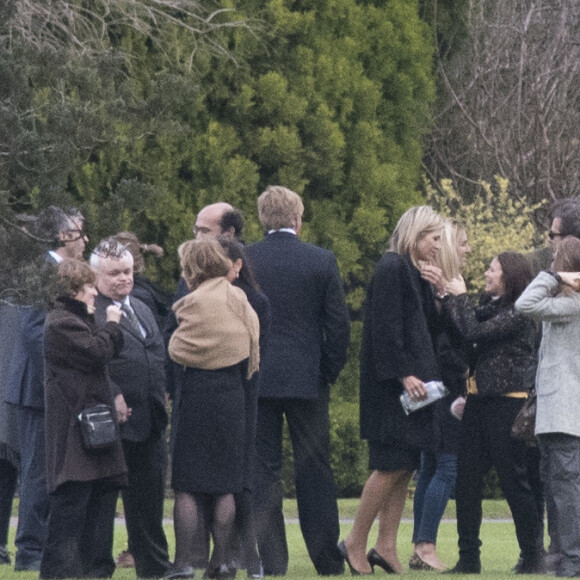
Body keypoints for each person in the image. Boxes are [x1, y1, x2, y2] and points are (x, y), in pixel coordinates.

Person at [246, 186, 350, 577]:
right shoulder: (321, 260)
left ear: (262, 218)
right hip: (308, 378)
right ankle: (326, 558)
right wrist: (327, 371)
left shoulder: (247, 259)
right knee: (315, 468)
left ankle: (273, 561)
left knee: (263, 468)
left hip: (258, 376)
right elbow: (337, 325)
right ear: (298, 218)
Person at [339, 205, 444, 575]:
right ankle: (354, 540)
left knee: (405, 466)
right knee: (389, 465)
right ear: (416, 235)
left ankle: (385, 546)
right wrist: (403, 374)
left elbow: (424, 328)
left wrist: (439, 290)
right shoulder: (391, 268)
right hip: (394, 389)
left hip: (414, 388)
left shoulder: (412, 273)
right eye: (434, 238)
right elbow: (384, 328)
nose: (437, 246)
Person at [443, 251, 545, 574]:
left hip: (508, 403)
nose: (486, 273)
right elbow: (464, 328)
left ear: (509, 276)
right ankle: (469, 557)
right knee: (467, 480)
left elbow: (473, 332)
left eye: (492, 269)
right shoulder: (490, 307)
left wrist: (458, 297)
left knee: (513, 480)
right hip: (478, 401)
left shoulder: (521, 311)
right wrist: (449, 300)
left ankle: (532, 555)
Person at [167, 238, 260, 580]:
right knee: (225, 484)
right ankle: (221, 561)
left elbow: (177, 348)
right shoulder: (240, 299)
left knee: (188, 485)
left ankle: (182, 564)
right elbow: (251, 343)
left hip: (196, 394)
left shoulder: (192, 301)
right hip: (232, 393)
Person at [5, 206, 88, 571]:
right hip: (39, 391)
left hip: (55, 388)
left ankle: (52, 546)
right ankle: (30, 551)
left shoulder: (63, 272)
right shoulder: (40, 273)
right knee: (38, 472)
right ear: (62, 236)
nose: (86, 239)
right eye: (81, 232)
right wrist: (65, 371)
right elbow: (34, 331)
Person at [39, 259, 127, 579]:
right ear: (74, 289)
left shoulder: (78, 319)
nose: (94, 292)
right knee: (71, 509)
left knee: (99, 506)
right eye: (89, 286)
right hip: (75, 434)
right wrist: (113, 323)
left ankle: (95, 571)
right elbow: (97, 351)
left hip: (94, 433)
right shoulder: (61, 323)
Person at [90, 238, 171, 579]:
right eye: (114, 273)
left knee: (149, 502)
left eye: (127, 271)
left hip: (150, 420)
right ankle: (96, 568)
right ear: (95, 276)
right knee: (103, 502)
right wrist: (114, 393)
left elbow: (155, 354)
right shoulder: (91, 312)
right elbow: (93, 362)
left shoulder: (142, 307)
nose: (123, 278)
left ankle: (154, 567)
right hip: (114, 421)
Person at [515, 237, 580, 577]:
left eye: (556, 259)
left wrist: (554, 278)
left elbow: (524, 305)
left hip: (566, 415)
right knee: (559, 488)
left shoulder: (572, 306)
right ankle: (567, 558)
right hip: (560, 415)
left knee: (566, 490)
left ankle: (571, 561)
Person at [410, 219, 471, 571]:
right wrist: (456, 300)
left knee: (430, 465)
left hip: (435, 387)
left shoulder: (436, 287)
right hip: (447, 386)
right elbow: (454, 338)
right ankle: (425, 544)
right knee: (445, 466)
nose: (468, 250)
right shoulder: (444, 288)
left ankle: (420, 546)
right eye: (462, 243)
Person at [218, 235, 271, 578]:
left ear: (237, 265)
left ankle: (242, 553)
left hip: (237, 388)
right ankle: (238, 556)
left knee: (237, 475)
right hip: (231, 389)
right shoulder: (251, 299)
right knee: (231, 476)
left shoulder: (250, 300)